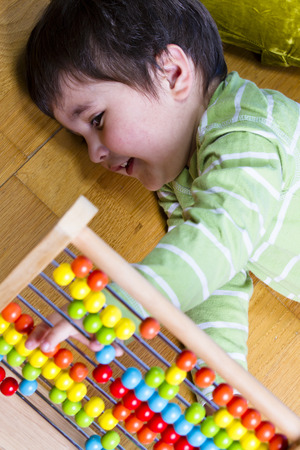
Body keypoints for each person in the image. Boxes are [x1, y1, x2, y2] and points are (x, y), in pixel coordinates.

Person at [24, 0, 300, 387]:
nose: (94, 153)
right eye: (82, 137)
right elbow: (214, 279)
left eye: (98, 120)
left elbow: (222, 236)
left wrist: (116, 304)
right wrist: (223, 387)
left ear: (171, 74)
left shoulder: (249, 130)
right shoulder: (179, 181)